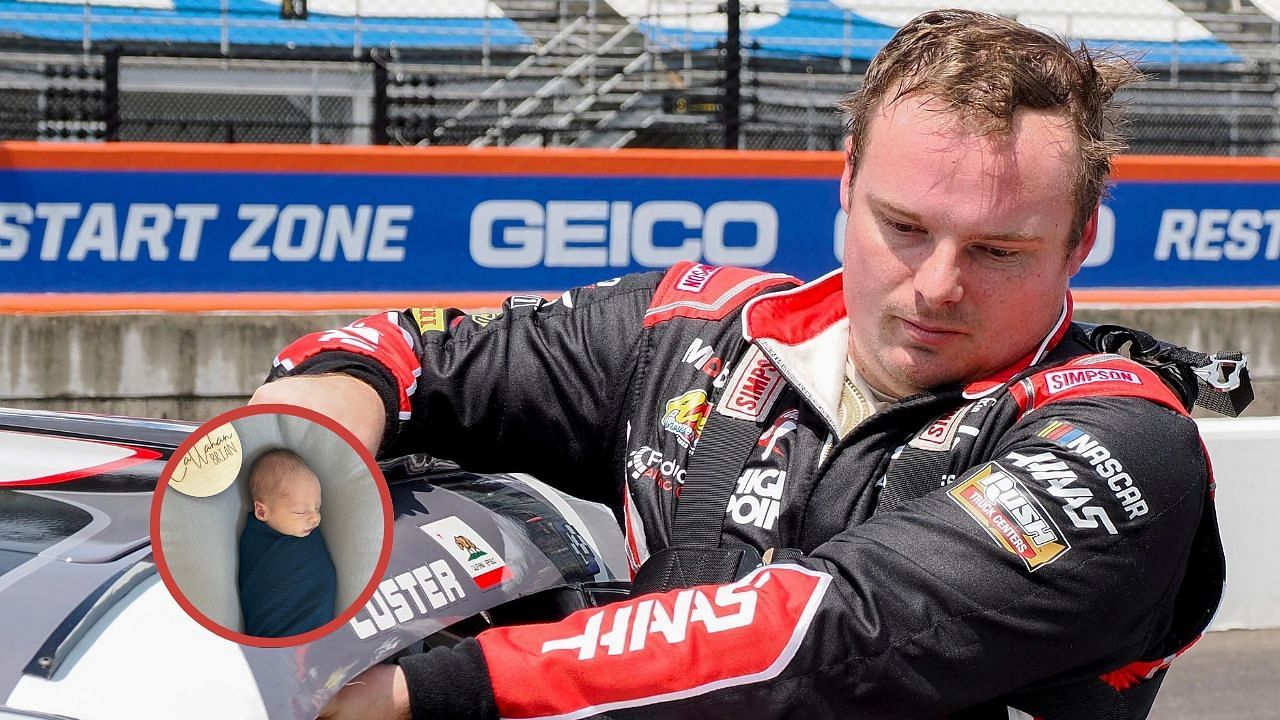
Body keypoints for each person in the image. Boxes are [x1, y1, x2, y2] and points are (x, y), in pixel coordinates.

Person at [251, 9, 1232, 719]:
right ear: (843, 189)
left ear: (1077, 241)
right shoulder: (695, 329)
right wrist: (309, 437)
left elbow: (828, 634)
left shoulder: (1122, 444)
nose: (936, 284)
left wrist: (427, 694)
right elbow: (417, 352)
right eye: (903, 227)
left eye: (997, 250)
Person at [238, 448, 337, 637]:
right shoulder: (255, 543)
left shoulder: (301, 533)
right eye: (300, 512)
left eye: (317, 507)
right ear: (261, 512)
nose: (315, 518)